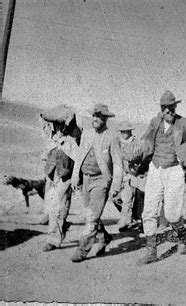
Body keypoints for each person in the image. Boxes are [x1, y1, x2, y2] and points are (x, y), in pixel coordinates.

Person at [138, 90, 186, 265]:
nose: (168, 110)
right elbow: (145, 141)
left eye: (171, 107)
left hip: (175, 170)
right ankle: (151, 252)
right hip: (155, 168)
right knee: (149, 212)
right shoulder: (154, 122)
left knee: (172, 214)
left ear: (176, 106)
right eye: (165, 107)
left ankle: (183, 237)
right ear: (161, 108)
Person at [70, 104, 123, 262]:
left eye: (99, 116)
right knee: (91, 213)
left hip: (101, 180)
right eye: (93, 116)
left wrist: (116, 186)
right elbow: (80, 156)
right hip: (86, 178)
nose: (95, 119)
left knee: (92, 216)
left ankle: (82, 249)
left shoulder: (112, 137)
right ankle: (103, 237)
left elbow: (118, 163)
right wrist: (75, 176)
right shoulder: (87, 134)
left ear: (105, 118)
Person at [40, 105, 81, 251]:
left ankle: (53, 239)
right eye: (57, 124)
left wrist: (76, 176)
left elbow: (78, 157)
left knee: (58, 207)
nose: (59, 127)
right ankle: (61, 228)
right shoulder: (52, 135)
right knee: (53, 206)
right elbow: (44, 116)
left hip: (65, 176)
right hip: (52, 173)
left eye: (61, 124)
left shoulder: (73, 136)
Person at [115, 121, 143, 232]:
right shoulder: (117, 142)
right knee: (115, 199)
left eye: (125, 131)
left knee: (127, 198)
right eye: (122, 131)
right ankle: (129, 217)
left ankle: (124, 221)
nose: (123, 133)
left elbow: (135, 156)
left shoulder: (136, 143)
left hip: (131, 174)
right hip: (119, 175)